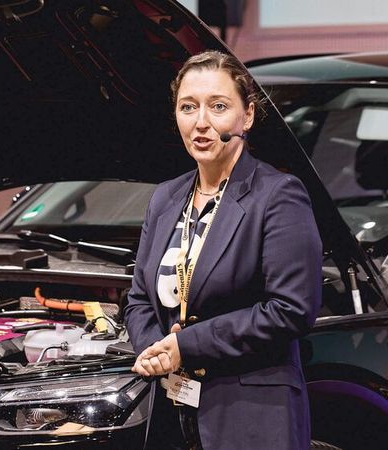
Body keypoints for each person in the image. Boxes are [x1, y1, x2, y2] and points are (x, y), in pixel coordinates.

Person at [124, 50, 322, 450]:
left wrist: (186, 346)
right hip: (169, 409)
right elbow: (139, 298)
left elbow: (291, 309)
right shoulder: (166, 197)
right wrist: (154, 349)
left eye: (218, 107)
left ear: (246, 116)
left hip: (251, 411)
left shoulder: (278, 195)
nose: (201, 123)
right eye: (188, 107)